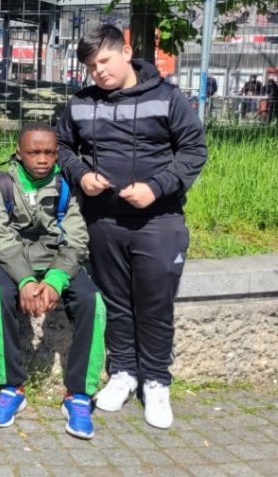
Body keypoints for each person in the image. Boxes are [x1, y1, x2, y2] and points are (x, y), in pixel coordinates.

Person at [56, 25, 206, 430]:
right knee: (116, 301)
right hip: (104, 221)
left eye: (104, 61)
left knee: (155, 303)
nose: (99, 71)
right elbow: (63, 147)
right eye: (91, 66)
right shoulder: (81, 103)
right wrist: (81, 176)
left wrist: (157, 187)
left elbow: (194, 150)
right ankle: (123, 372)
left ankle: (156, 381)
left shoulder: (167, 98)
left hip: (159, 221)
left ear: (126, 52)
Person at [0, 124, 104, 440]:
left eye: (49, 152)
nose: (42, 159)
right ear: (19, 153)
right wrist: (24, 279)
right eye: (34, 152)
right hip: (11, 258)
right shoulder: (1, 184)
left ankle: (78, 394)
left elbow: (76, 239)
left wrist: (55, 279)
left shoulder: (65, 186)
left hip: (56, 259)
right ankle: (11, 387)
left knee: (92, 301)